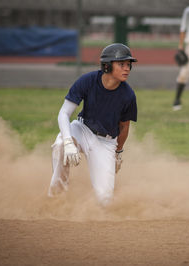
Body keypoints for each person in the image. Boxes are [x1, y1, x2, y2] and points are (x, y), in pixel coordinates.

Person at [47, 43, 138, 206]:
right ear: (107, 66)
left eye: (128, 65)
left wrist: (118, 152)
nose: (127, 69)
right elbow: (64, 113)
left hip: (105, 143)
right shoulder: (88, 81)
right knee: (60, 145)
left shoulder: (128, 95)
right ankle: (56, 199)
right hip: (82, 129)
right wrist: (68, 141)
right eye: (121, 64)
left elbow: (124, 127)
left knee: (104, 201)